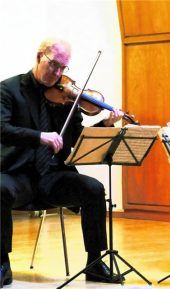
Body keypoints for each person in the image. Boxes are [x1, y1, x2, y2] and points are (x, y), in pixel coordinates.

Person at [0, 38, 125, 286]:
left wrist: (105, 124)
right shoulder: (8, 89)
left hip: (53, 176)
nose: (57, 73)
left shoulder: (67, 98)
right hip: (18, 174)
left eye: (62, 68)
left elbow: (78, 139)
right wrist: (39, 137)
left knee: (93, 189)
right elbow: (2, 128)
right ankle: (3, 263)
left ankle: (94, 263)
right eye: (53, 64)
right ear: (39, 57)